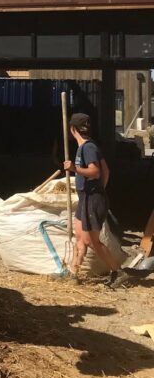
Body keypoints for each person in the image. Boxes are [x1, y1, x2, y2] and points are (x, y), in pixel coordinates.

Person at [63, 112, 120, 280]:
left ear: (72, 129)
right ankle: (73, 274)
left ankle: (118, 272)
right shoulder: (89, 146)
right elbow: (106, 170)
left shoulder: (88, 148)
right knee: (79, 237)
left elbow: (96, 172)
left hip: (92, 199)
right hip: (86, 197)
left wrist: (74, 169)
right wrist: (99, 189)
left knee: (91, 241)